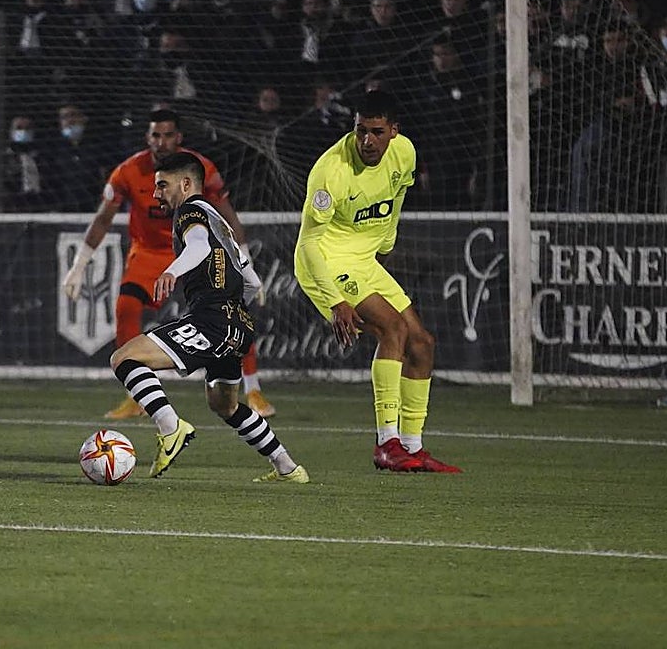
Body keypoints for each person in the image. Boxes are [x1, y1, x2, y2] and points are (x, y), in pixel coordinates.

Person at [108, 151, 308, 483]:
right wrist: (233, 310)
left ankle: (170, 428)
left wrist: (171, 271)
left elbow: (198, 247)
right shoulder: (221, 223)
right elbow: (252, 281)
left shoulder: (190, 210)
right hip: (238, 328)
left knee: (124, 358)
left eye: (162, 185)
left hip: (211, 320)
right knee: (225, 406)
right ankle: (288, 467)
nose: (157, 194)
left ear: (186, 184)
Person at [62, 109, 275, 419]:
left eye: (167, 135)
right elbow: (103, 218)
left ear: (179, 137)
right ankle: (136, 396)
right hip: (149, 253)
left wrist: (244, 259)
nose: (160, 142)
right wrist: (78, 266)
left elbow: (226, 216)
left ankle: (253, 389)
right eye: (155, 135)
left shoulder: (199, 170)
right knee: (125, 308)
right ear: (147, 137)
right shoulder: (128, 171)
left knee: (230, 312)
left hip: (192, 248)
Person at [292, 91, 461, 474]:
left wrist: (385, 247)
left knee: (422, 344)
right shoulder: (330, 171)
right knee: (393, 328)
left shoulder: (405, 153)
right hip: (325, 260)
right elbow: (310, 244)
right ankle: (387, 443)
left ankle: (413, 448)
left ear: (393, 132)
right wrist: (335, 300)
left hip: (364, 260)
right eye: (360, 131)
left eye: (376, 132)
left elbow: (395, 201)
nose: (367, 141)